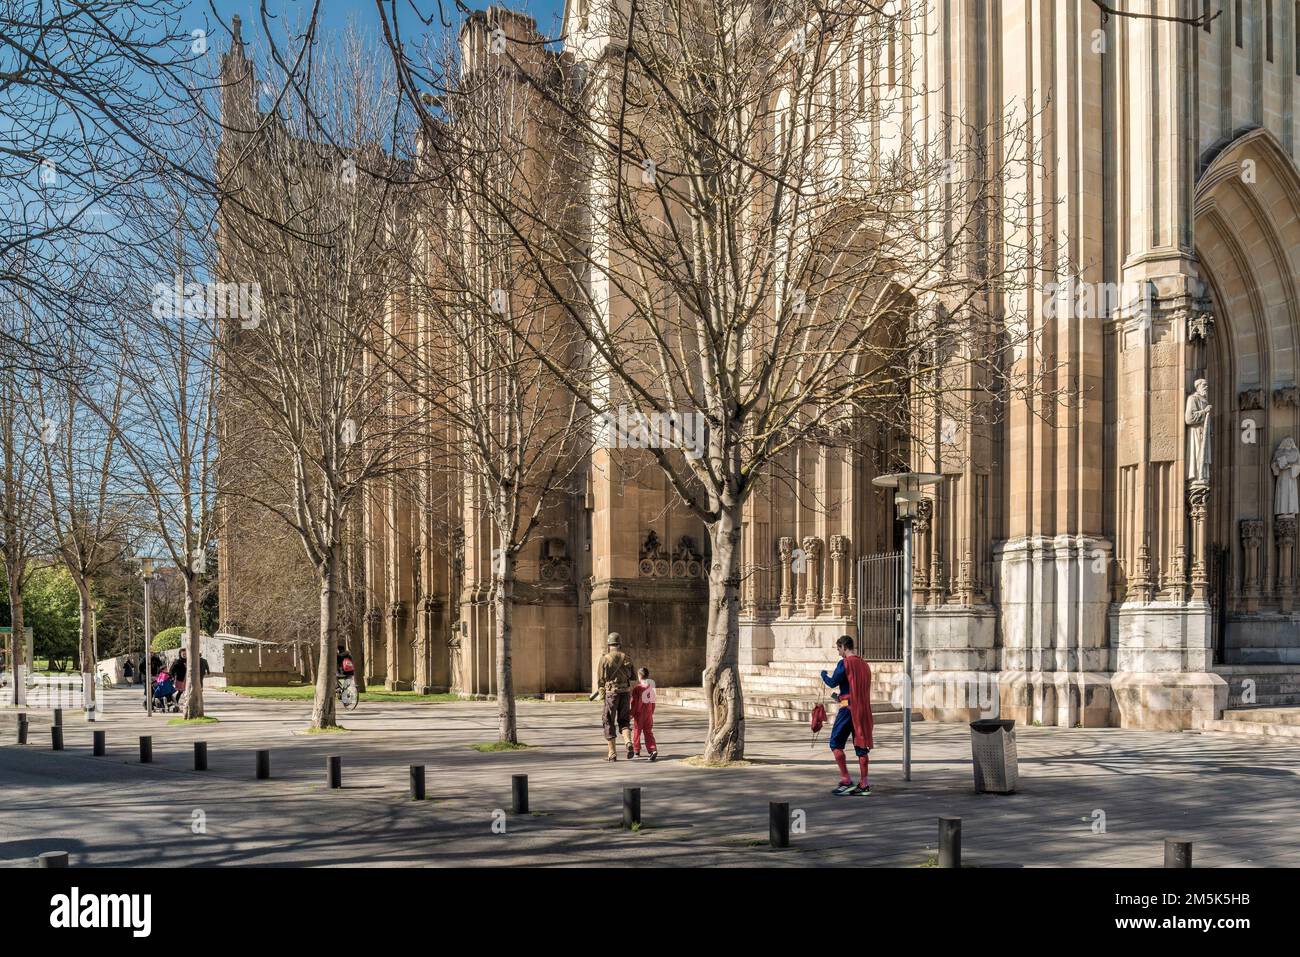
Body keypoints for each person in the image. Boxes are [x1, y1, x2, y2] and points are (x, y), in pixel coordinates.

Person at [820, 635, 874, 796]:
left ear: (844, 647)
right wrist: (839, 697)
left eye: (838, 649)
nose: (838, 653)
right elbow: (854, 689)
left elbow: (832, 682)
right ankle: (864, 784)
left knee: (835, 743)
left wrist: (823, 674)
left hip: (848, 710)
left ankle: (846, 780)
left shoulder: (845, 663)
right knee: (861, 746)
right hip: (863, 710)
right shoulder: (864, 665)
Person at [589, 632, 636, 761]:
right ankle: (628, 741)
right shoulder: (627, 658)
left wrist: (602, 690)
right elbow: (633, 677)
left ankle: (612, 752)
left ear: (609, 645)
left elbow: (600, 680)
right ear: (619, 644)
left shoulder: (605, 659)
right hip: (625, 693)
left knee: (608, 720)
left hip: (612, 694)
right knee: (624, 720)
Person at [630, 667, 657, 761]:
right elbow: (653, 702)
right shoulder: (651, 688)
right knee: (648, 732)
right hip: (648, 713)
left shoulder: (637, 688)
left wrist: (631, 714)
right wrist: (651, 712)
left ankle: (636, 751)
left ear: (639, 676)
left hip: (639, 713)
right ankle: (652, 749)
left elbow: (634, 703)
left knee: (637, 732)